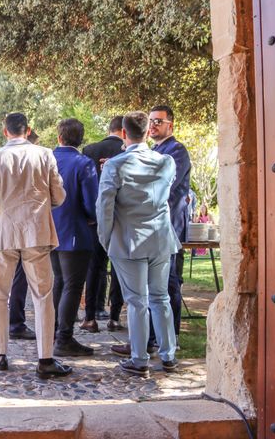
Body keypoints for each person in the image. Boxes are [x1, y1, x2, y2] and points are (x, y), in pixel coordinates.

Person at [0, 112, 72, 379]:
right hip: (36, 232)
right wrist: (40, 209)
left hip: (5, 232)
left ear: (5, 131)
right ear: (28, 130)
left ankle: (0, 353)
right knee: (42, 296)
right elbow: (59, 195)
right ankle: (45, 358)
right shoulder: (44, 154)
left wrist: (0, 208)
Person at [97, 111, 179, 377]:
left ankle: (140, 359)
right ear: (146, 132)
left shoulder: (115, 165)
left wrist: (105, 238)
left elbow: (105, 206)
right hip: (160, 239)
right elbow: (165, 195)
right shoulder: (166, 162)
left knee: (137, 301)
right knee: (160, 298)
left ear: (123, 133)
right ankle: (168, 355)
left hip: (129, 240)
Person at [51, 118, 98, 357]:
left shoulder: (46, 159)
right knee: (72, 285)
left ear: (59, 137)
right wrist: (93, 217)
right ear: (81, 139)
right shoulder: (83, 163)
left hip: (49, 229)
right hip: (75, 231)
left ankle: (55, 332)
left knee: (58, 282)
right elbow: (91, 202)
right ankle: (64, 338)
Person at [148, 105, 191, 346]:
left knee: (169, 282)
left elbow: (165, 185)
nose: (153, 125)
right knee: (154, 285)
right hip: (154, 226)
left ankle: (169, 337)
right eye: (151, 121)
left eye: (158, 121)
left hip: (170, 226)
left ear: (170, 125)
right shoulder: (154, 150)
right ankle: (152, 337)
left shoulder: (176, 151)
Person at [81, 115, 126, 332]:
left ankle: (91, 315)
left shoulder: (90, 150)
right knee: (118, 267)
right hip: (121, 218)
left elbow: (86, 185)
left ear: (110, 129)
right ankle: (114, 316)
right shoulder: (126, 153)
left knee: (94, 266)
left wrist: (88, 213)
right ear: (124, 131)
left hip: (95, 218)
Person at [8, 129, 40, 340]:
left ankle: (14, 321)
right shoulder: (38, 158)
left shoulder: (2, 159)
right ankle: (16, 323)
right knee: (23, 279)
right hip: (30, 227)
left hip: (9, 228)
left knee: (16, 278)